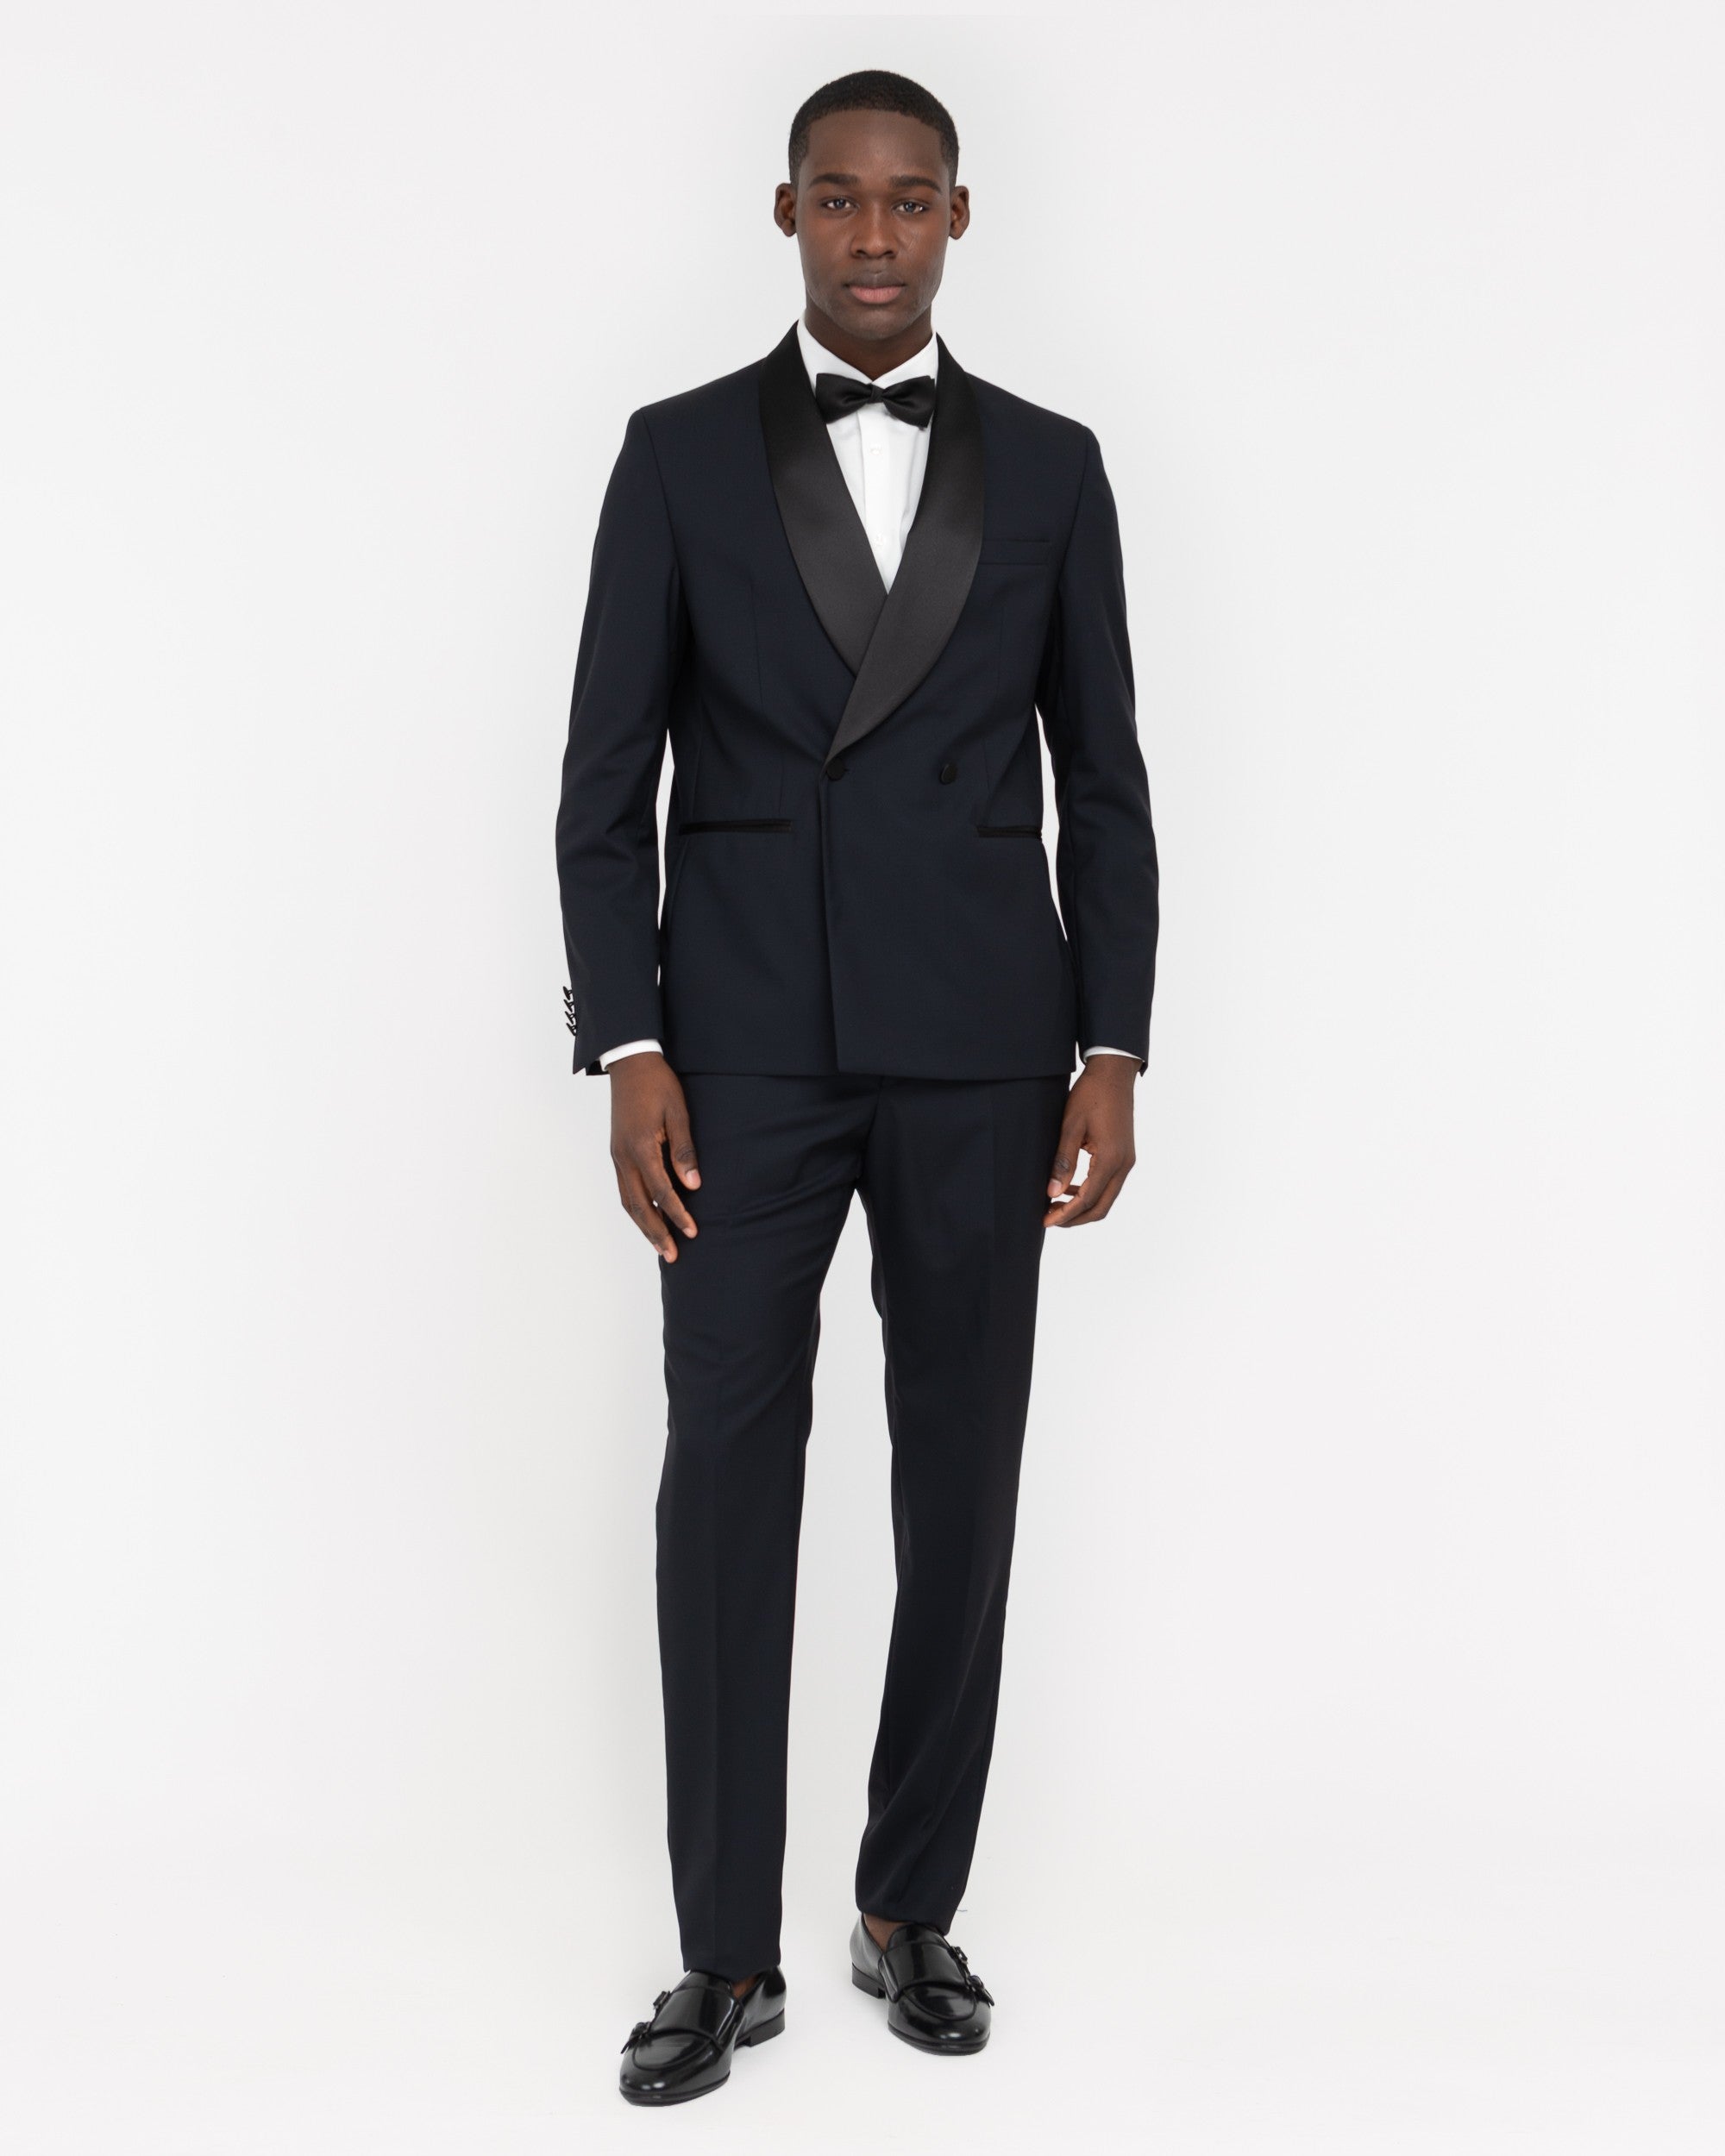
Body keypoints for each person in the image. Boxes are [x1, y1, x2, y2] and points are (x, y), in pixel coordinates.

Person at [555, 67, 1158, 2105]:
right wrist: (628, 1040)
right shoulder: (674, 453)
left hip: (986, 1042)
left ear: (958, 218)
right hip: (737, 1054)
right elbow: (600, 785)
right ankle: (723, 1946)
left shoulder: (1056, 466)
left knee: (959, 1474)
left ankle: (911, 1902)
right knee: (724, 1473)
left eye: (908, 201)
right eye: (838, 198)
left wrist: (1112, 1041)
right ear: (787, 212)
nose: (873, 235)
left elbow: (1108, 783)